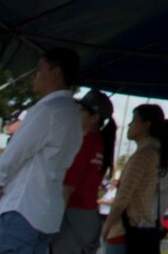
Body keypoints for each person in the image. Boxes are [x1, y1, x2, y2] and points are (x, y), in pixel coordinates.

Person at [0, 50, 83, 254]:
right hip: (48, 211)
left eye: (39, 70)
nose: (34, 76)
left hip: (23, 208)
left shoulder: (48, 109)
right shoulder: (74, 114)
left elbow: (15, 153)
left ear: (55, 73)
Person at [104, 104, 168, 254]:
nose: (129, 124)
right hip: (143, 227)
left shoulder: (143, 155)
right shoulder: (157, 153)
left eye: (134, 120)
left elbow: (123, 196)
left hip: (125, 229)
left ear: (146, 125)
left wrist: (107, 226)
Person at [49, 92, 112, 254]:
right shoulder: (99, 142)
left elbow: (67, 188)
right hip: (88, 214)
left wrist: (52, 222)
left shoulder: (85, 142)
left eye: (82, 110)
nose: (77, 112)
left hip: (73, 215)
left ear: (94, 117)